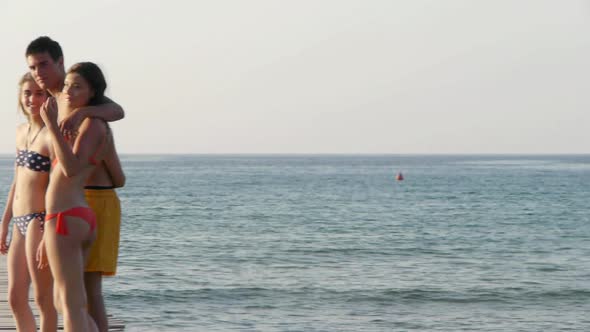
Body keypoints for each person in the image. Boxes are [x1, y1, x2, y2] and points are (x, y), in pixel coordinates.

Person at [26, 36, 125, 331]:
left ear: (59, 62)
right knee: (68, 298)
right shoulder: (59, 103)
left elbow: (117, 112)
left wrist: (78, 115)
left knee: (78, 299)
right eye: (32, 67)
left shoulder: (88, 115)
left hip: (82, 207)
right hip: (71, 209)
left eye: (44, 64)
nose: (39, 72)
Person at [39, 62, 112, 332]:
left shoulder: (93, 124)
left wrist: (51, 126)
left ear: (92, 92)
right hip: (66, 217)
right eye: (67, 84)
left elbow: (71, 169)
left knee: (72, 304)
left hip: (66, 217)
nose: (69, 91)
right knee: (64, 301)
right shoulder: (84, 123)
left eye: (77, 86)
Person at [0, 73, 57, 331]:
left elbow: (58, 187)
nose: (32, 99)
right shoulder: (21, 132)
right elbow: (17, 181)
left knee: (43, 299)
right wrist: (4, 222)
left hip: (38, 220)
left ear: (48, 97)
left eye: (39, 93)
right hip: (18, 222)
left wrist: (49, 233)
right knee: (14, 297)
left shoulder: (50, 136)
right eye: (27, 93)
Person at [84, 134, 125, 332]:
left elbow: (120, 179)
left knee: (90, 288)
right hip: (86, 202)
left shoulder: (97, 126)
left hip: (94, 202)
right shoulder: (97, 125)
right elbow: (119, 178)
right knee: (86, 289)